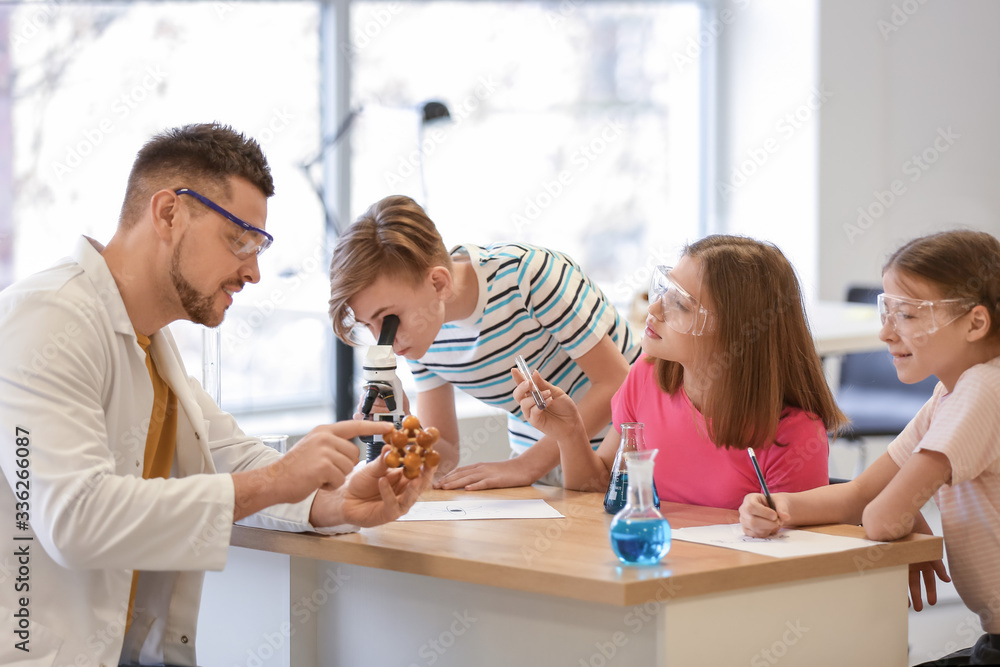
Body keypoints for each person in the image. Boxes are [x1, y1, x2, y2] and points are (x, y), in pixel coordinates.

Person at [0, 123, 434, 667]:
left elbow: (228, 456)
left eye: (260, 246)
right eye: (240, 241)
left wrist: (335, 501)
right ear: (168, 213)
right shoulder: (46, 318)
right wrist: (279, 478)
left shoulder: (151, 344)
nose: (253, 271)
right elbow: (75, 519)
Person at [739, 230, 1000, 665]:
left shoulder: (983, 390)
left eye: (907, 316)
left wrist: (902, 513)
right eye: (887, 311)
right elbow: (863, 493)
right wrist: (775, 505)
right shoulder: (951, 393)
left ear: (975, 322)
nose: (885, 333)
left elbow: (880, 517)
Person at [328, 195, 641, 490]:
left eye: (388, 319)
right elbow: (447, 451)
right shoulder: (420, 329)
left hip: (628, 456)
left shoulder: (529, 277)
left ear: (438, 283)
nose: (385, 341)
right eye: (368, 324)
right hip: (541, 468)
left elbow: (617, 381)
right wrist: (405, 432)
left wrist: (527, 465)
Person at [514, 235, 845, 509]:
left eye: (681, 304)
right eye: (663, 291)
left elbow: (800, 558)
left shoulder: (794, 436)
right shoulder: (644, 378)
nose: (654, 309)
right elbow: (599, 486)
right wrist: (570, 433)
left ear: (738, 332)